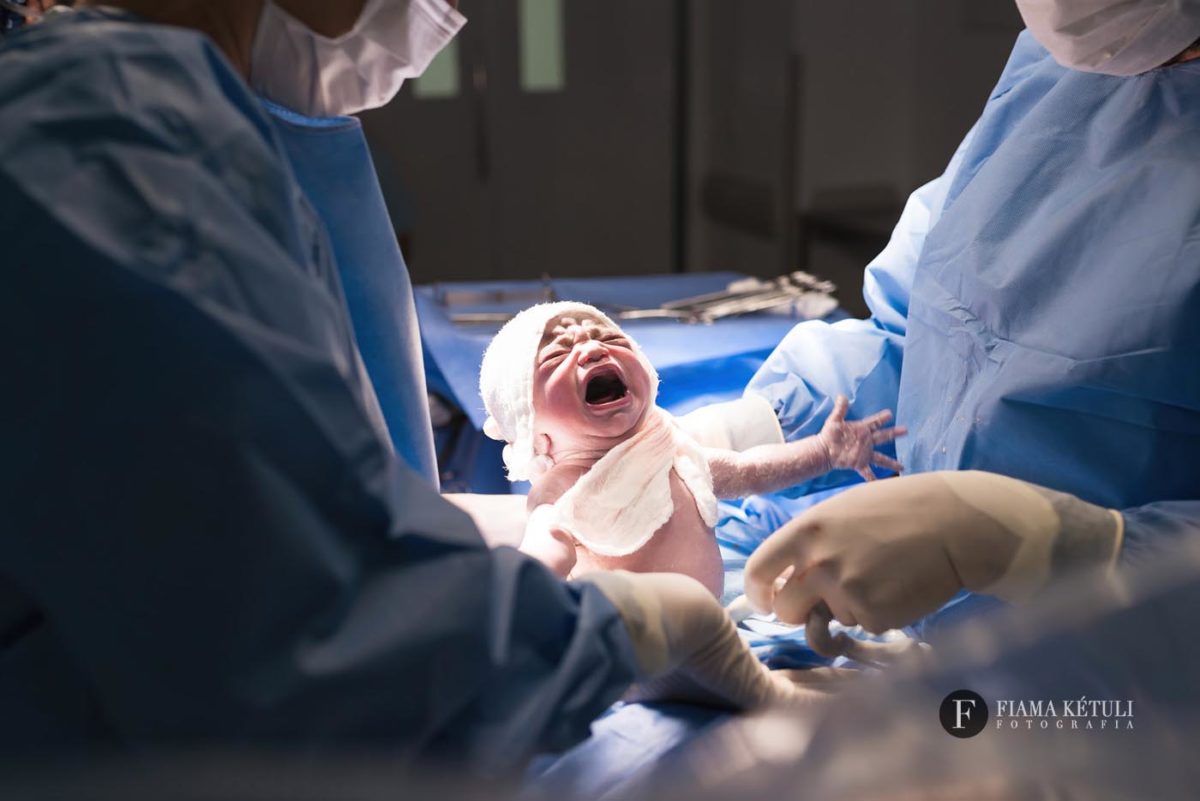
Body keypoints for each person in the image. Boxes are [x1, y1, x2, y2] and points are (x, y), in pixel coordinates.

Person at [0, 0, 816, 773]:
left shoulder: (135, 119)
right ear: (531, 437)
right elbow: (318, 657)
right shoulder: (118, 153)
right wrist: (635, 628)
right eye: (554, 345)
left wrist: (445, 527)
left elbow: (230, 495)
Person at [738, 0, 1200, 635]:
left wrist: (1052, 546)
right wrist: (752, 432)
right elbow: (924, 334)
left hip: (1133, 693)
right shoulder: (1059, 79)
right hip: (945, 656)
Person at [478, 302, 903, 598]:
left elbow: (748, 470)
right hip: (632, 638)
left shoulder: (670, 446)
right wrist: (519, 600)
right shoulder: (563, 490)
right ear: (533, 429)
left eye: (608, 336)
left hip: (704, 628)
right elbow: (547, 547)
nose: (591, 346)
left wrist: (824, 452)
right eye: (558, 353)